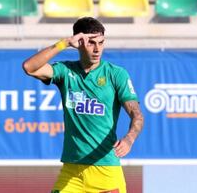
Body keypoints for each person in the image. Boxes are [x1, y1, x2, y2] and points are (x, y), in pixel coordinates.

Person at [22, 17, 144, 193]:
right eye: (91, 43)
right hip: (72, 171)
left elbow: (137, 114)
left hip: (105, 170)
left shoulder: (116, 74)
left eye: (101, 42)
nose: (97, 49)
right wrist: (63, 43)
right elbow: (29, 67)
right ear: (78, 43)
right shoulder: (65, 71)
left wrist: (129, 139)